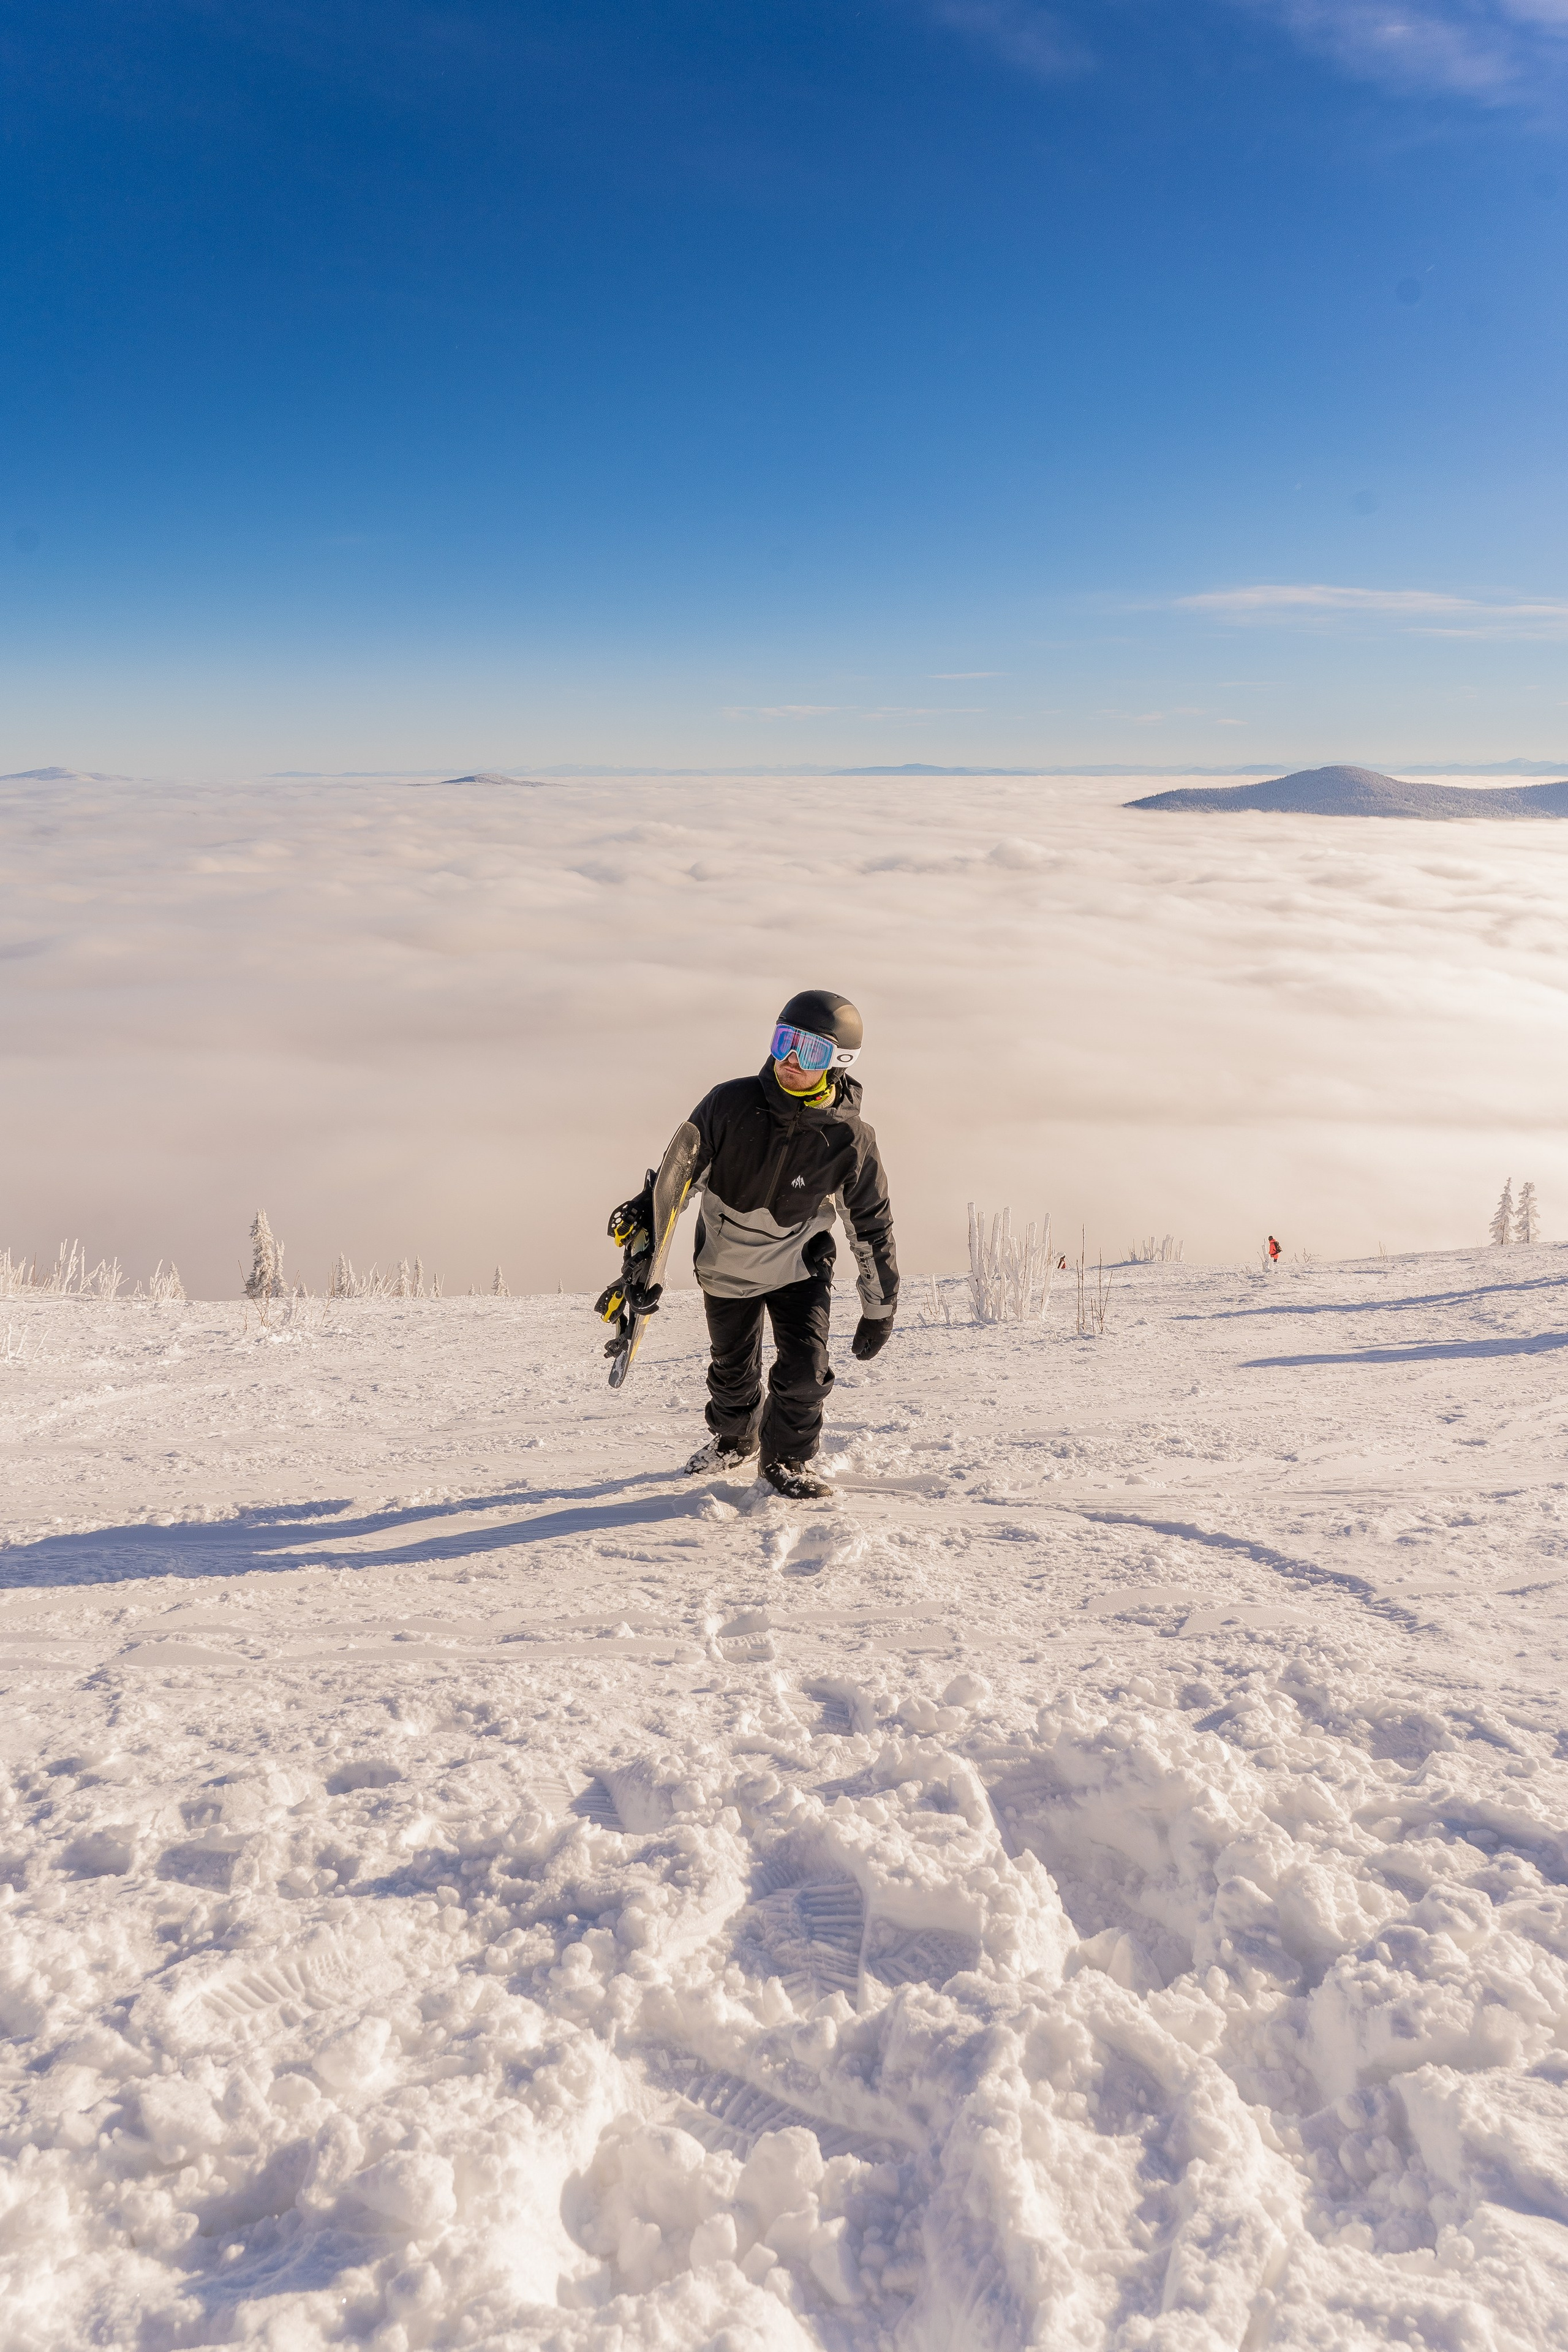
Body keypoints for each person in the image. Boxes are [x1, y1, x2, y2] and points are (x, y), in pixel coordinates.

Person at [612, 990, 899, 1500]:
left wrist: (880, 1310)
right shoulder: (731, 1103)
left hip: (798, 1268)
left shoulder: (851, 1140)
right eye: (784, 1040)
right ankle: (734, 1441)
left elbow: (870, 1226)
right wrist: (644, 1244)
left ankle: (787, 1460)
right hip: (727, 1265)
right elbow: (679, 1180)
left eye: (809, 1050)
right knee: (731, 1373)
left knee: (805, 1372)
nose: (790, 1059)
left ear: (838, 1061)